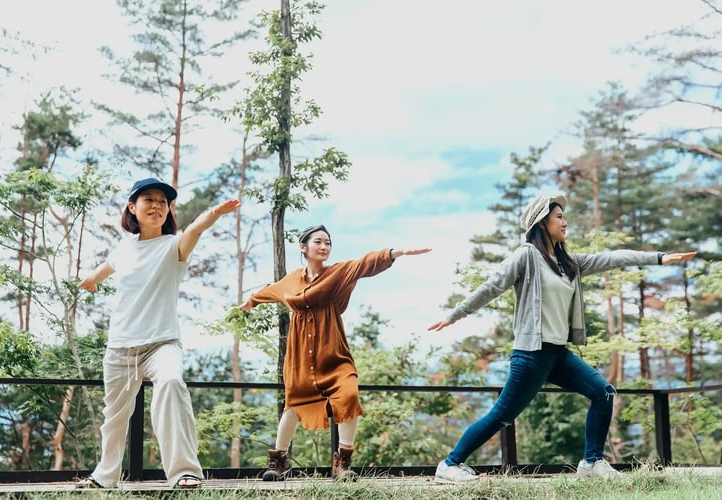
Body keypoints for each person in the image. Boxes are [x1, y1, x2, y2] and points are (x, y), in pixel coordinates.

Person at [428, 194, 696, 483]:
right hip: (531, 353)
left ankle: (592, 462)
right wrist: (454, 315)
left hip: (557, 353)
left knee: (603, 392)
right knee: (502, 415)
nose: (565, 222)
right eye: (559, 216)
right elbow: (492, 286)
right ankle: (450, 464)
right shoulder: (527, 255)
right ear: (542, 222)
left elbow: (613, 257)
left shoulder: (569, 263)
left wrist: (659, 258)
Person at [75, 177, 241, 489]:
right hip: (121, 346)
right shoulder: (124, 248)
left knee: (171, 382)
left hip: (162, 343)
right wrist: (91, 280)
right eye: (149, 199)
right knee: (115, 416)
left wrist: (214, 213)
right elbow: (105, 267)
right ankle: (105, 476)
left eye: (163, 202)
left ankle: (183, 472)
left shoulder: (173, 247)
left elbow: (193, 231)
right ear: (132, 207)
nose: (157, 206)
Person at [240, 225, 431, 481]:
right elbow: (271, 290)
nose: (324, 247)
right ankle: (278, 462)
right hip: (300, 358)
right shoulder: (292, 280)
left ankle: (343, 462)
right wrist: (251, 301)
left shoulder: (338, 272)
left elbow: (365, 263)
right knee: (294, 404)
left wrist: (397, 252)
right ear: (303, 247)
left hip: (333, 352)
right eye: (318, 242)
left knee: (348, 394)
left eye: (328, 243)